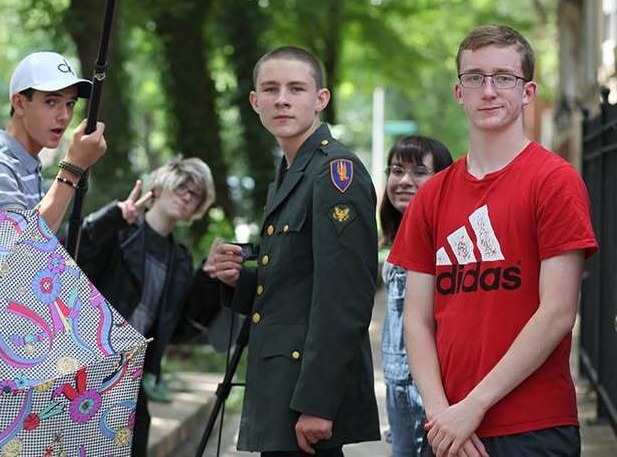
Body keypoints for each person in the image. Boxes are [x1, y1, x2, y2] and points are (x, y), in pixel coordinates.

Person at [389, 25, 598, 457]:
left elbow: (557, 312)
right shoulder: (432, 195)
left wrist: (474, 407)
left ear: (527, 92)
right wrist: (442, 414)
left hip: (534, 427)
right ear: (458, 92)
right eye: (474, 78)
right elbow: (416, 321)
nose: (488, 90)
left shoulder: (554, 182)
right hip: (446, 430)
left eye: (504, 78)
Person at [207, 46, 380, 456]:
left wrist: (318, 403)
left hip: (305, 396)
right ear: (255, 102)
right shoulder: (292, 170)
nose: (282, 98)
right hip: (282, 385)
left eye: (296, 88)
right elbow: (292, 282)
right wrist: (239, 278)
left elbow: (345, 298)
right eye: (270, 89)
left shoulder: (336, 174)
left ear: (321, 99)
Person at [76, 157, 222, 457]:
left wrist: (207, 280)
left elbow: (179, 330)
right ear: (160, 185)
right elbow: (73, 259)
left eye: (195, 194)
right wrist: (110, 219)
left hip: (131, 372)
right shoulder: (120, 230)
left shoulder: (180, 259)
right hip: (88, 361)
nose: (186, 196)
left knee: (136, 438)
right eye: (182, 186)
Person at [0, 51, 107, 233]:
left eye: (70, 104)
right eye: (51, 102)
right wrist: (73, 168)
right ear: (19, 103)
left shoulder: (25, 164)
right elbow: (22, 250)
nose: (64, 116)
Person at [379, 135, 452, 456]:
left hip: (427, 391)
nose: (404, 181)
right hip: (398, 388)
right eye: (396, 171)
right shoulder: (396, 238)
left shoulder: (445, 242)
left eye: (419, 172)